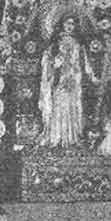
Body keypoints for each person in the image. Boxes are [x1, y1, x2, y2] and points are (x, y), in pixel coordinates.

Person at [38, 15, 98, 148]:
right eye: (67, 23)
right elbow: (47, 60)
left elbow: (85, 62)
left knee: (72, 107)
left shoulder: (78, 44)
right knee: (59, 106)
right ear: (62, 25)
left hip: (74, 80)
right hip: (59, 79)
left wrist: (92, 76)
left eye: (72, 24)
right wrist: (54, 63)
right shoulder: (55, 42)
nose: (69, 26)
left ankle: (71, 138)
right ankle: (57, 137)